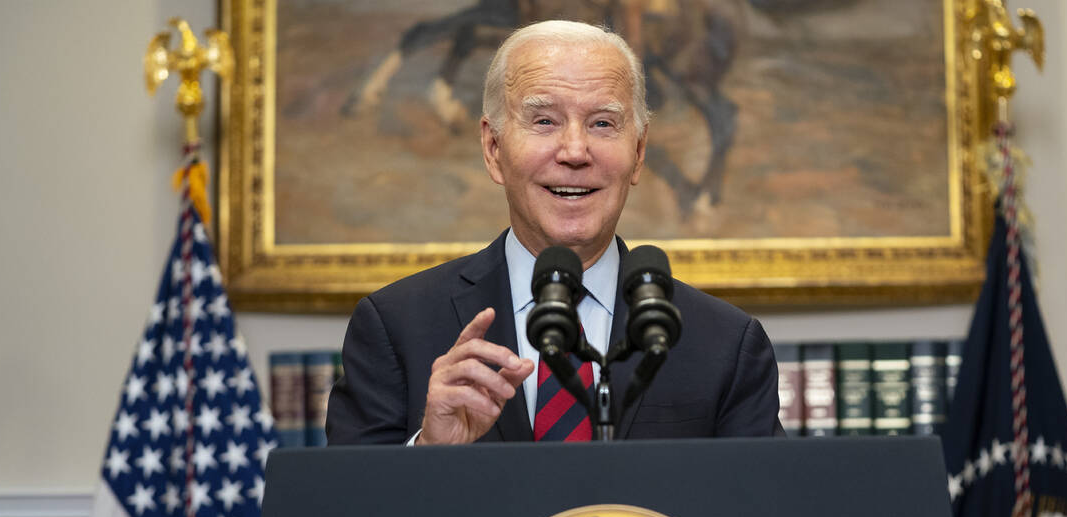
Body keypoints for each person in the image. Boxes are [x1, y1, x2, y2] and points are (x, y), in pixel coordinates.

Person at [326, 20, 781, 445]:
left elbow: (763, 514)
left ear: (639, 153)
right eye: (544, 121)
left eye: (603, 123)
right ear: (493, 148)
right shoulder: (396, 327)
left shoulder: (726, 344)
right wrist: (428, 449)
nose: (575, 151)